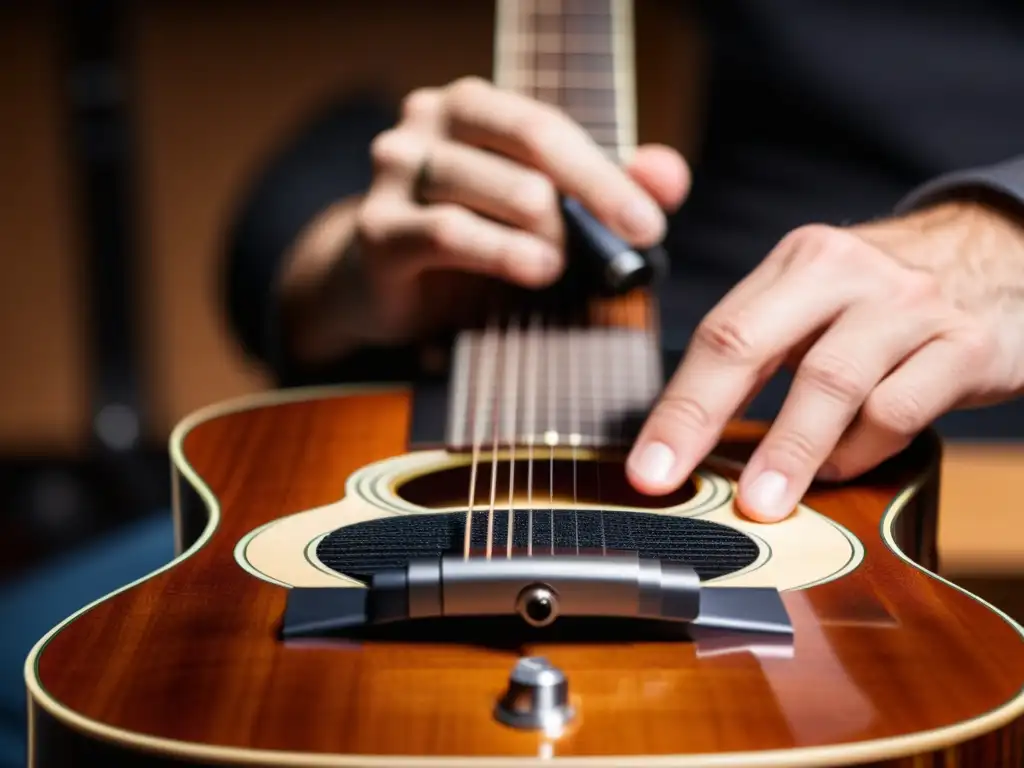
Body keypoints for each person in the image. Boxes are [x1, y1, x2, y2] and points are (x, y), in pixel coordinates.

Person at [225, 2, 1024, 526]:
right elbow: (288, 230)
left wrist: (1004, 229)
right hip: (662, 338)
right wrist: (335, 269)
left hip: (970, 433)